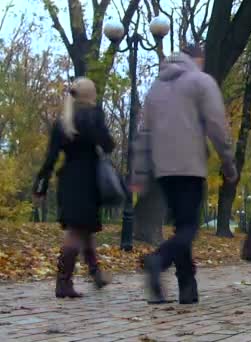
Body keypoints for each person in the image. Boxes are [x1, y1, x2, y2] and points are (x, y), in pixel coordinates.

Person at [133, 43, 236, 305]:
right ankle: (159, 259)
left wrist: (140, 171)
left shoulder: (155, 88)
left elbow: (145, 131)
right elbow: (216, 125)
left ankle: (187, 289)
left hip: (163, 169)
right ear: (198, 60)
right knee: (189, 227)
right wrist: (227, 161)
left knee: (181, 227)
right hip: (190, 165)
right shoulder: (201, 82)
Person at [33, 77, 114, 298]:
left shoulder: (63, 121)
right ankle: (63, 282)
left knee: (83, 227)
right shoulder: (93, 116)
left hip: (68, 179)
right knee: (77, 230)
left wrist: (40, 185)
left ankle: (95, 273)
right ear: (91, 95)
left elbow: (50, 158)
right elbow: (108, 144)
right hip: (88, 179)